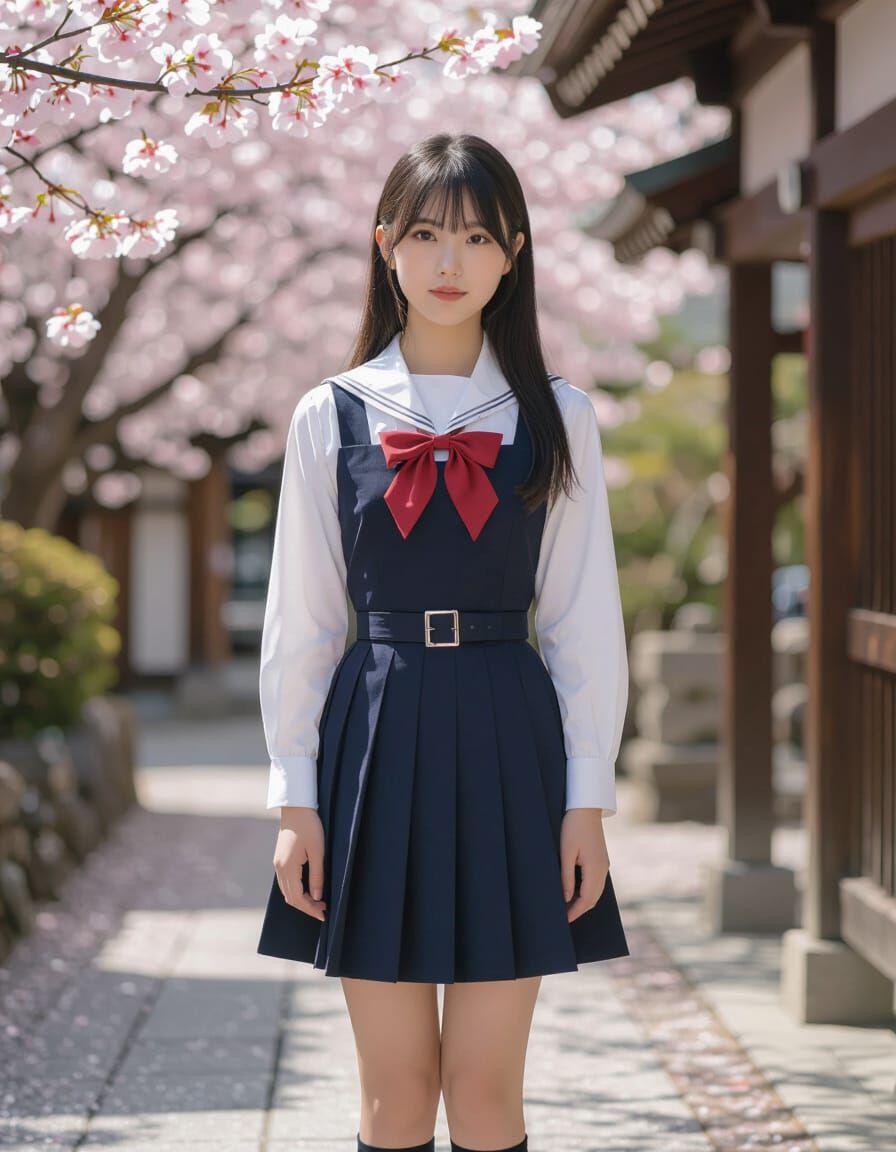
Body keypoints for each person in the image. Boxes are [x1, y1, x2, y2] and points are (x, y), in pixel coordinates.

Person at [256, 132, 630, 1152]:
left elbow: (579, 618)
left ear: (513, 252)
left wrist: (583, 801)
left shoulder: (559, 418)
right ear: (385, 248)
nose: (448, 262)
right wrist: (296, 796)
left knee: (484, 1095)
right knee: (394, 1096)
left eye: (474, 237)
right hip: (372, 741)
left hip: (510, 742)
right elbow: (305, 616)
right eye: (423, 235)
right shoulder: (325, 417)